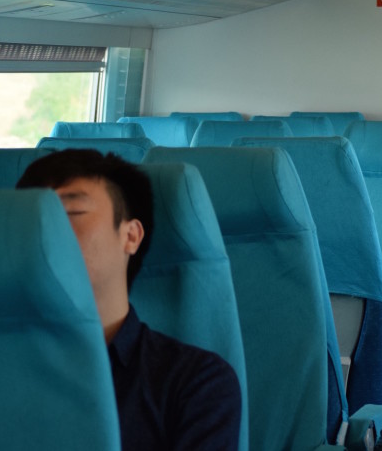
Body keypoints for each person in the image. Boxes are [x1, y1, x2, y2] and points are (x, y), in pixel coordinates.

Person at [17, 149, 241, 451]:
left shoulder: (195, 383)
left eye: (71, 214)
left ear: (131, 236)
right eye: (32, 218)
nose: (46, 232)